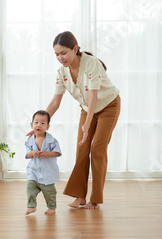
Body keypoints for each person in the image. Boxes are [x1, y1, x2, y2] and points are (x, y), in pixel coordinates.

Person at [32, 31, 121, 210]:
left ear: (75, 48)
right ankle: (80, 196)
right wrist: (38, 123)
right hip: (88, 109)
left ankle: (95, 199)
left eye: (63, 53)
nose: (60, 58)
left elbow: (94, 97)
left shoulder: (91, 64)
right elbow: (55, 102)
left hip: (108, 106)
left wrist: (87, 124)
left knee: (97, 148)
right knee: (82, 149)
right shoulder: (62, 72)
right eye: (57, 54)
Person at [25, 110, 62, 215]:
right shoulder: (30, 141)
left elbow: (57, 153)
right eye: (36, 122)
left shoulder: (52, 141)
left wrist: (47, 154)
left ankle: (51, 207)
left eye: (42, 123)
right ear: (32, 125)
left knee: (49, 192)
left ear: (47, 126)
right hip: (34, 171)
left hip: (48, 172)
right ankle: (31, 206)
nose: (39, 125)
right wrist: (32, 153)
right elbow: (27, 155)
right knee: (30, 187)